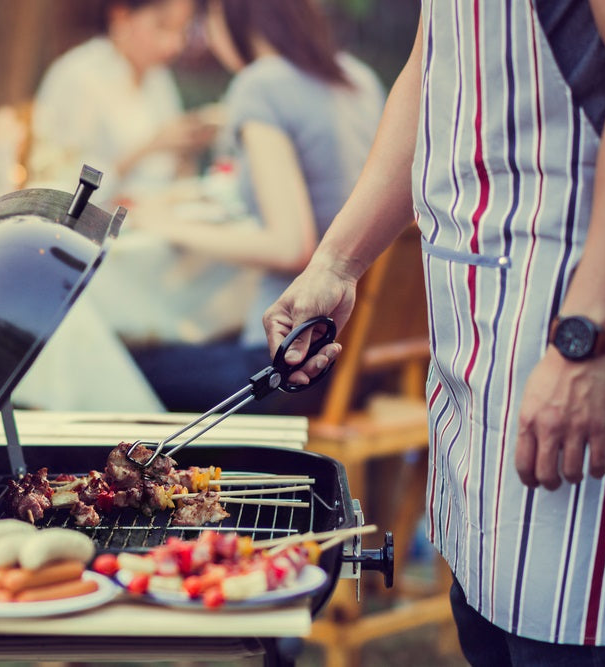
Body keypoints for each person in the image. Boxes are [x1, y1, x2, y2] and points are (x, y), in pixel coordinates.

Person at [264, 1, 605, 664]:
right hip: (472, 314)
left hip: (575, 301)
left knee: (557, 639)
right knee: (485, 625)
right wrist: (338, 261)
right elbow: (434, 67)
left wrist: (589, 335)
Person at [127, 0, 385, 414]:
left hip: (287, 365)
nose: (208, 34)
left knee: (124, 362)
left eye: (208, 18)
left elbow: (290, 246)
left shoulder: (261, 84)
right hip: (359, 362)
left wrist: (163, 224)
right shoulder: (358, 78)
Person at [28, 0, 216, 204]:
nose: (175, 44)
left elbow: (173, 174)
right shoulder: (78, 75)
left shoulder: (158, 78)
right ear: (122, 17)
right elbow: (59, 184)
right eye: (163, 26)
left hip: (153, 217)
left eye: (183, 30)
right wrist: (149, 147)